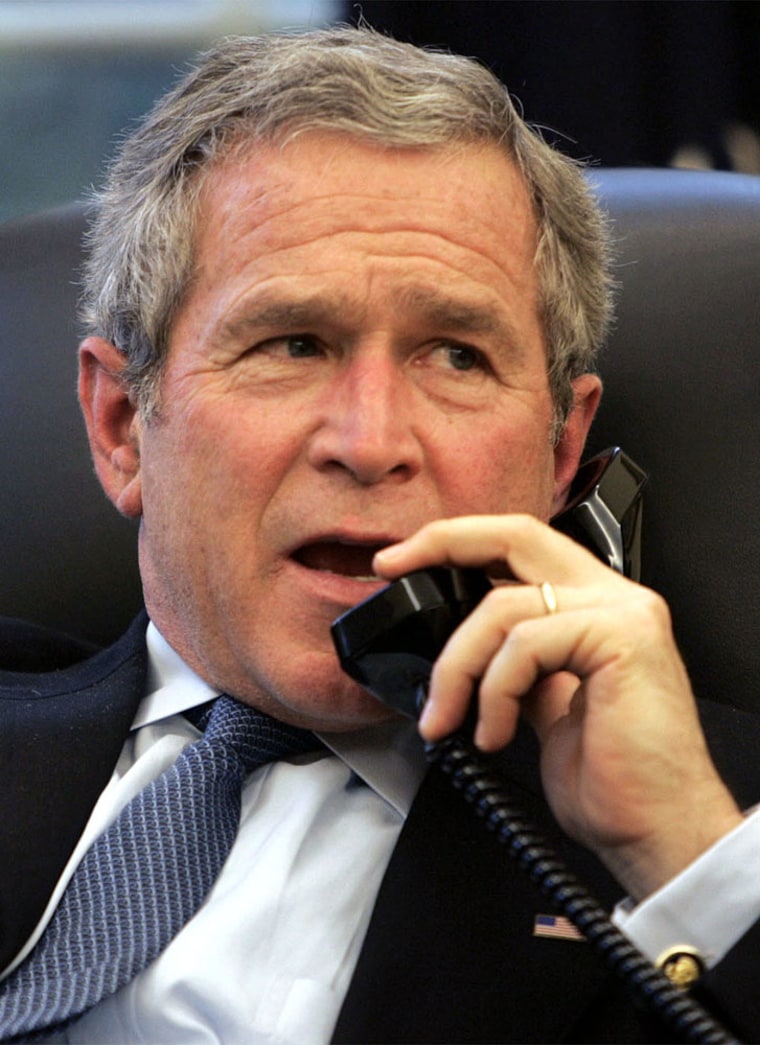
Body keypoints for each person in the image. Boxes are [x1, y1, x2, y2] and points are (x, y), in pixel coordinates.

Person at [0, 25, 758, 1044]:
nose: (370, 442)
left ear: (560, 451)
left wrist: (683, 852)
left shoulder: (718, 826)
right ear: (123, 426)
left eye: (455, 356)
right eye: (293, 343)